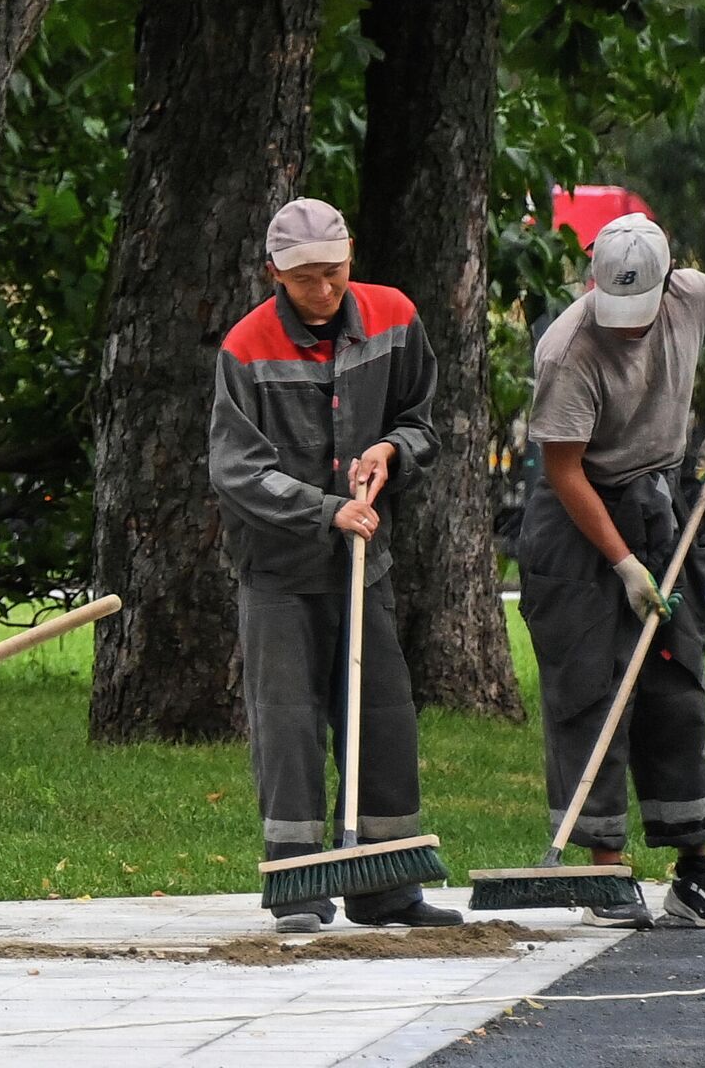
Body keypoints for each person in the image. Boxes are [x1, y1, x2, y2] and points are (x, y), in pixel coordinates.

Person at [209, 197, 456, 934]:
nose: (324, 292)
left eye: (336, 274)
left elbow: (421, 420)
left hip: (363, 563)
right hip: (279, 570)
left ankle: (388, 888)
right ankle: (298, 890)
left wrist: (391, 451)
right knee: (287, 725)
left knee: (383, 715)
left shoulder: (393, 317)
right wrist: (324, 511)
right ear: (274, 274)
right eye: (307, 279)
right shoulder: (245, 347)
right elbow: (236, 469)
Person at [519, 213, 705, 930]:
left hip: (665, 498)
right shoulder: (566, 350)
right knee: (590, 685)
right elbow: (564, 471)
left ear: (665, 283)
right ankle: (603, 872)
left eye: (638, 313)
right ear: (594, 284)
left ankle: (693, 868)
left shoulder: (694, 297)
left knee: (676, 677)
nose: (626, 327)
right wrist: (621, 563)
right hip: (579, 513)